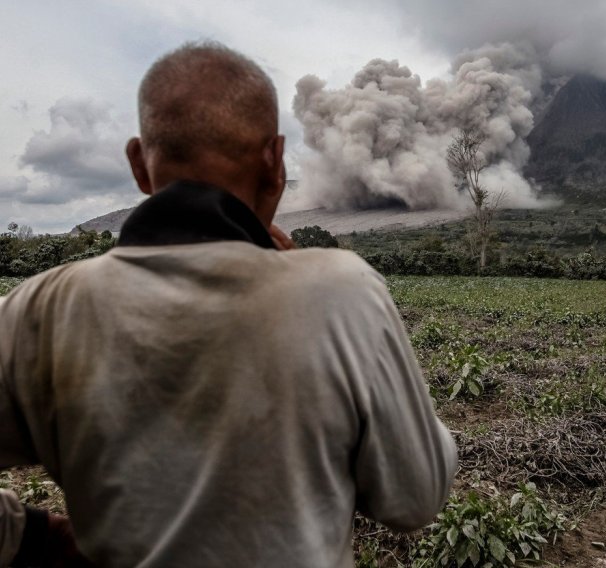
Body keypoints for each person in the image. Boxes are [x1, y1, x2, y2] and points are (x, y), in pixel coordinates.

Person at [0, 42, 457, 567]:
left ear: (138, 166)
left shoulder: (38, 310)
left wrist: (25, 536)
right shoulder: (342, 292)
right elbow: (417, 498)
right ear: (275, 160)